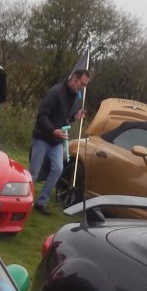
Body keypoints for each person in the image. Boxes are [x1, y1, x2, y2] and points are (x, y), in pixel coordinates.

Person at [30, 67, 90, 215]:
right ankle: (25, 199)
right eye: (82, 84)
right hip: (42, 137)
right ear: (74, 79)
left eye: (85, 85)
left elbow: (64, 118)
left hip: (57, 142)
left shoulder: (74, 97)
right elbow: (42, 116)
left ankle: (41, 202)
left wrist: (75, 117)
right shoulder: (55, 92)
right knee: (34, 173)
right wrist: (53, 130)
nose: (82, 88)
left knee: (58, 169)